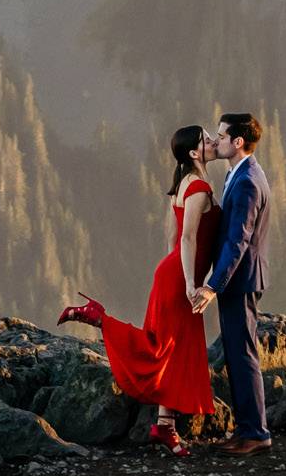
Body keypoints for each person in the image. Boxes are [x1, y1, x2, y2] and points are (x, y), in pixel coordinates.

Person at [56, 124, 220, 455]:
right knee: (160, 348)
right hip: (180, 279)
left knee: (175, 350)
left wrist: (179, 272)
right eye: (205, 140)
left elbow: (172, 237)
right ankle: (97, 318)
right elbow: (186, 238)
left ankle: (165, 427)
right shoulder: (199, 186)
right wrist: (191, 282)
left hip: (173, 272)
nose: (212, 142)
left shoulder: (183, 183)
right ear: (193, 153)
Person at [191, 111, 272, 455]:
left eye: (222, 136)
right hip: (239, 279)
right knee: (237, 353)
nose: (217, 140)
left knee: (242, 355)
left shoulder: (248, 181)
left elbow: (238, 239)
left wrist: (213, 284)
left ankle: (255, 432)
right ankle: (246, 430)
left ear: (238, 142)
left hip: (240, 280)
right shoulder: (239, 175)